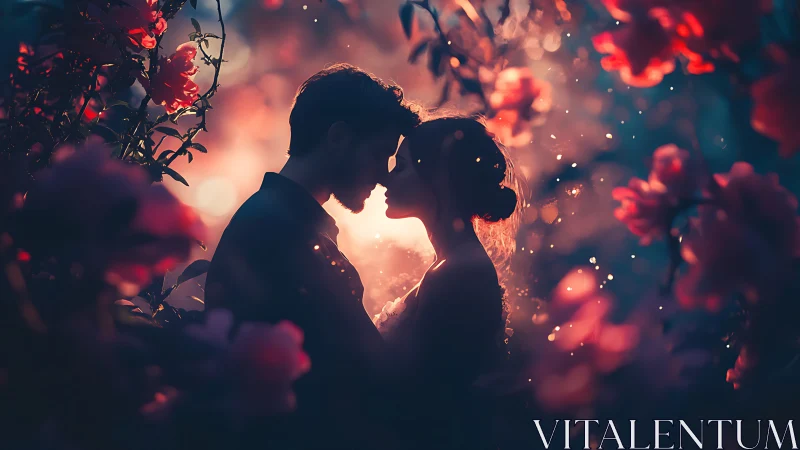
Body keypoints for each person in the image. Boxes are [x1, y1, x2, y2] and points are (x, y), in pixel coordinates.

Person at [204, 63, 420, 449]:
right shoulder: (285, 234)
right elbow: (367, 372)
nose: (384, 175)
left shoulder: (274, 219)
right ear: (338, 137)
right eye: (379, 154)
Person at [375, 116, 520, 449]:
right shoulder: (453, 265)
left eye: (402, 165)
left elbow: (423, 401)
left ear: (438, 179)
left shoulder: (459, 274)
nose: (387, 177)